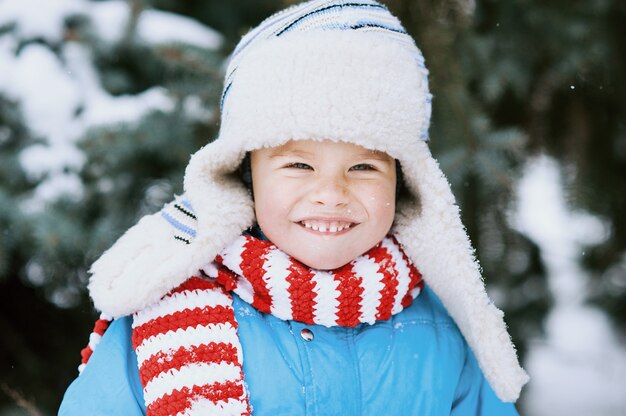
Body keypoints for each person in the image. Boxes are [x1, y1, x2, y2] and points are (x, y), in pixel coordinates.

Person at [59, 0, 529, 414]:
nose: (331, 193)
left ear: (405, 183)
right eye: (300, 165)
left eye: (363, 168)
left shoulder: (436, 324)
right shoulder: (168, 308)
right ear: (245, 176)